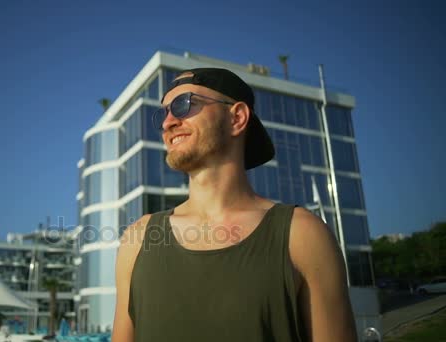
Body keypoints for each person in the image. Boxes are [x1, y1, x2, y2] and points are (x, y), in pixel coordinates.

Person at [112, 68, 357, 341]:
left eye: (183, 105)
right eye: (163, 113)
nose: (168, 122)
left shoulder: (302, 234)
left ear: (237, 117)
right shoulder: (138, 239)